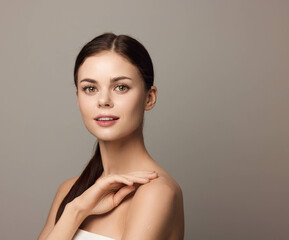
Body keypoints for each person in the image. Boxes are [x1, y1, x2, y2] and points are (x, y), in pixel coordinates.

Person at [38, 33, 184, 240]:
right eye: (90, 88)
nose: (103, 100)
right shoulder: (70, 191)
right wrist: (77, 209)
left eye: (121, 87)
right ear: (78, 98)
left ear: (149, 98)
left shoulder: (156, 193)